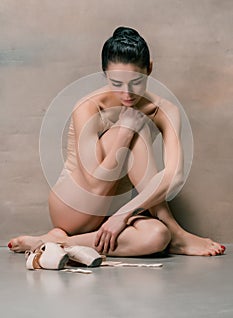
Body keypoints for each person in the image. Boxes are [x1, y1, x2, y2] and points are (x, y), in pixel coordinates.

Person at [8, 26, 225, 257]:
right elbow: (94, 183)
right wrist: (125, 131)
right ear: (104, 74)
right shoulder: (89, 105)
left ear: (149, 69)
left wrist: (124, 214)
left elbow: (174, 176)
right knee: (135, 129)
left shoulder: (166, 110)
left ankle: (57, 243)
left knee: (157, 237)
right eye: (117, 83)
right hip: (75, 203)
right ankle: (175, 231)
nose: (127, 93)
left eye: (136, 82)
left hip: (117, 211)